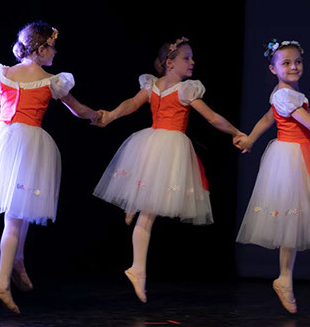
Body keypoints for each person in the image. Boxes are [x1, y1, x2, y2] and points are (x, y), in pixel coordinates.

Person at [0, 21, 100, 313]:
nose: (55, 52)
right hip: (27, 147)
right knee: (15, 219)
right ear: (41, 49)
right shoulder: (50, 81)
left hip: (1, 143)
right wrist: (98, 116)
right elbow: (78, 109)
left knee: (22, 206)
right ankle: (2, 283)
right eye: (52, 46)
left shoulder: (4, 74)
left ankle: (17, 261)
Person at [93, 37, 245, 303]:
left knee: (146, 201)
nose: (192, 62)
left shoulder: (176, 88)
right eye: (187, 58)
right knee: (148, 212)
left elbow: (211, 117)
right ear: (170, 63)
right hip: (164, 147)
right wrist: (111, 114)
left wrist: (234, 131)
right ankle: (137, 269)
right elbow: (132, 103)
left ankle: (133, 210)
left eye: (192, 57)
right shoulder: (162, 86)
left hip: (155, 146)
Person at [236, 39, 310, 314]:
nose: (294, 67)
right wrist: (250, 139)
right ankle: (285, 279)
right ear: (273, 68)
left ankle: (284, 279)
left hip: (301, 153)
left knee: (294, 222)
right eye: (286, 63)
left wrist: (250, 139)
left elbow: (268, 118)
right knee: (292, 221)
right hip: (292, 158)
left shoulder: (288, 93)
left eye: (298, 62)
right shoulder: (285, 95)